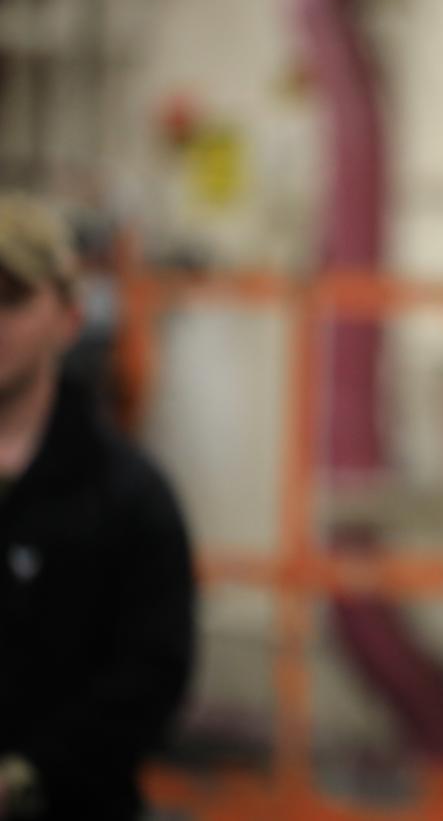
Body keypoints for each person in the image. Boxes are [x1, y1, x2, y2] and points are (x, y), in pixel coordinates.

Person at [0, 194, 195, 820]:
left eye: (12, 299)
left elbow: (152, 672)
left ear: (69, 317)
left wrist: (27, 777)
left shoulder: (128, 499)